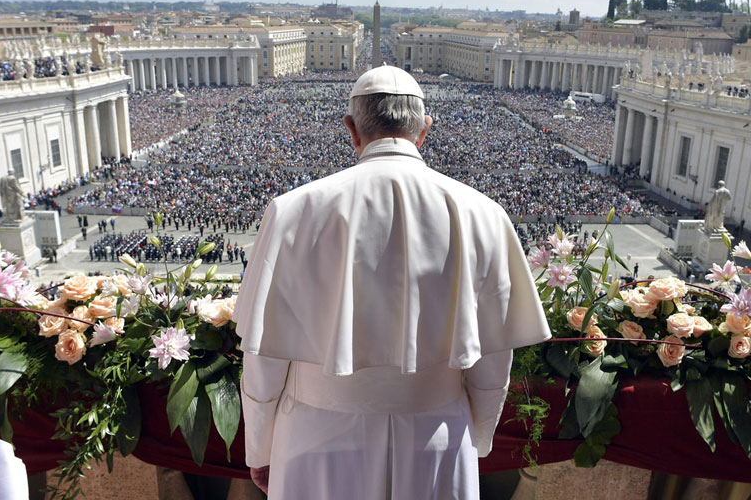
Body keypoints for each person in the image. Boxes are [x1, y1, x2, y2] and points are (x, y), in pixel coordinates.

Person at [234, 66, 551, 499]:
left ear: (351, 129)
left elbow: (263, 357)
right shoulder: (485, 214)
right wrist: (476, 437)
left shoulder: (293, 210)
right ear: (425, 130)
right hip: (435, 433)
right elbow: (493, 359)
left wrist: (261, 447)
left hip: (316, 434)